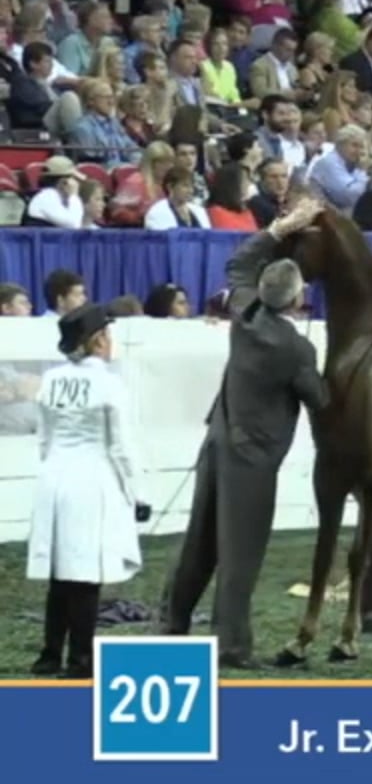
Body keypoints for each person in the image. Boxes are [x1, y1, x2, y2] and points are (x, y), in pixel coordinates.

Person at [160, 198, 330, 668]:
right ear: (296, 300)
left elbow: (239, 263)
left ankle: (171, 623)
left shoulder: (245, 314)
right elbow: (320, 400)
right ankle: (231, 645)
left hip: (218, 438)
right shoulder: (294, 348)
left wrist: (279, 229)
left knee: (200, 539)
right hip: (253, 458)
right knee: (241, 553)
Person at [26, 304, 146, 678]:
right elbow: (120, 447)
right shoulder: (109, 383)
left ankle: (49, 655)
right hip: (90, 480)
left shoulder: (51, 379)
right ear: (98, 340)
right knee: (85, 577)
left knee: (60, 576)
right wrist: (137, 493)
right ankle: (80, 661)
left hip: (54, 477)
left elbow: (44, 439)